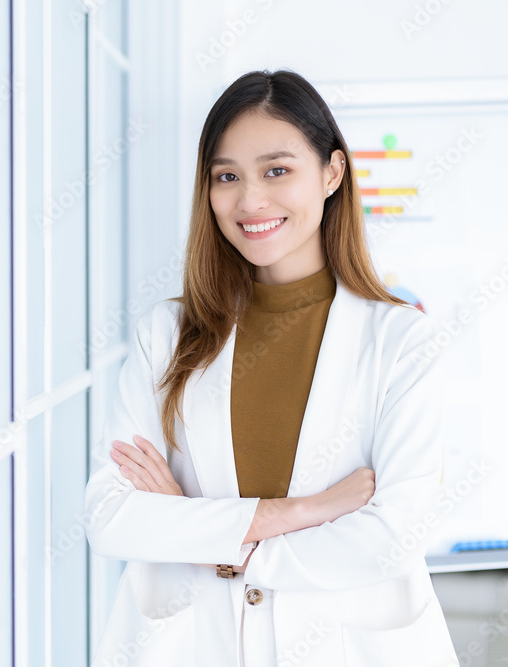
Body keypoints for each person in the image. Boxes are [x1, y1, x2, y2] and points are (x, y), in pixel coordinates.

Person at [83, 69, 459, 667]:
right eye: (227, 176)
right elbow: (110, 517)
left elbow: (394, 535)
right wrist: (305, 512)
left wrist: (211, 540)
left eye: (277, 170)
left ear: (332, 173)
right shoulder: (167, 334)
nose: (250, 200)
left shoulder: (399, 341)